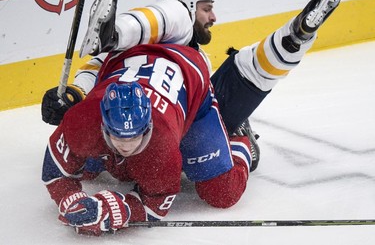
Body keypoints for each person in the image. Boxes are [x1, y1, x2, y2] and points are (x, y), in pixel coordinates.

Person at [41, 0, 343, 172]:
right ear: (186, 4)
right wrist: (73, 94)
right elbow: (167, 17)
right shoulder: (174, 21)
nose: (213, 16)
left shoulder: (191, 53)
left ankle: (294, 38)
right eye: (206, 8)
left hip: (161, 137)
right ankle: (292, 40)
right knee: (248, 69)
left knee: (245, 67)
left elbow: (97, 66)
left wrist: (76, 92)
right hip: (148, 133)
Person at [42, 43, 253, 236]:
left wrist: (121, 210)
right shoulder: (83, 120)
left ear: (149, 127)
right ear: (103, 125)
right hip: (129, 58)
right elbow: (55, 171)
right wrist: (70, 200)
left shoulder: (163, 146)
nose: (126, 146)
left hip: (192, 83)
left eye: (134, 137)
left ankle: (237, 136)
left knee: (223, 192)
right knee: (87, 168)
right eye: (118, 136)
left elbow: (154, 204)